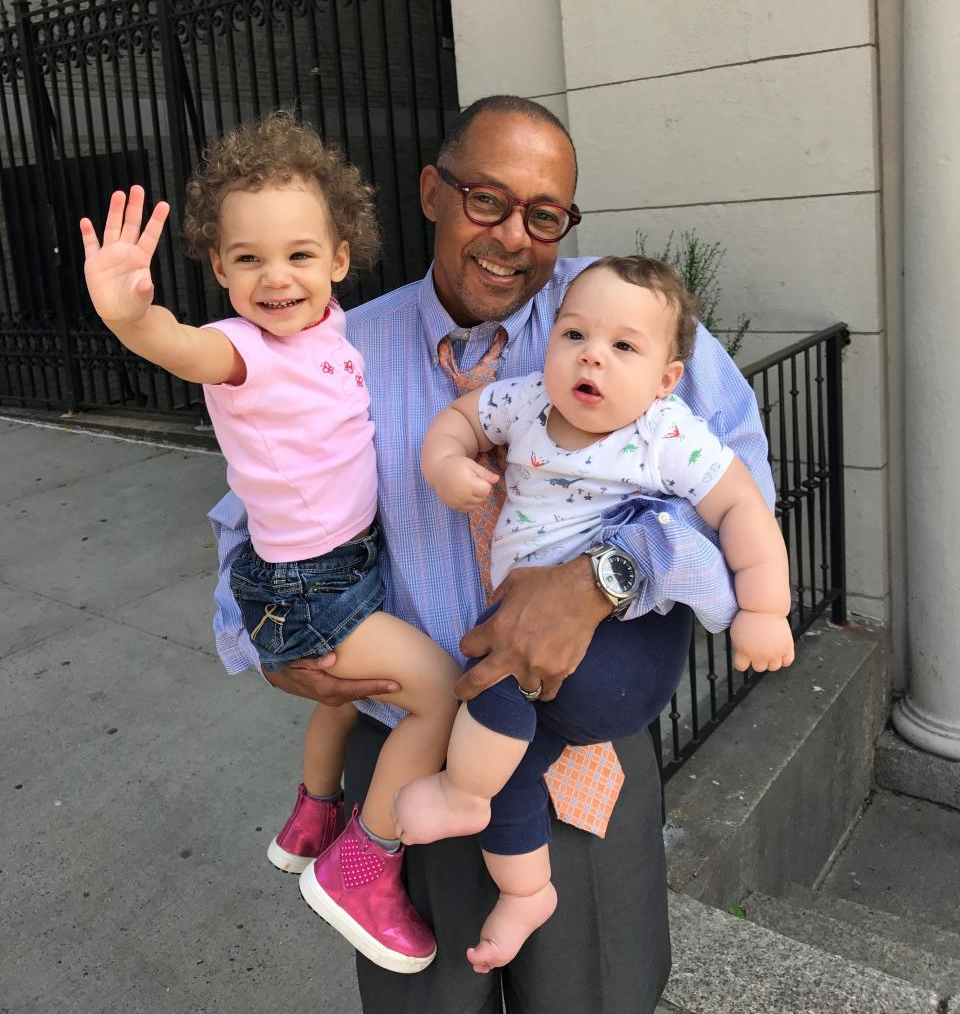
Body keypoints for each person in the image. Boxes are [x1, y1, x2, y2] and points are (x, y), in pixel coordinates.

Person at [210, 95, 776, 1014]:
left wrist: (610, 577)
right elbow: (252, 511)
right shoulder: (336, 345)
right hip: (413, 753)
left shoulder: (624, 318)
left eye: (543, 214)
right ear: (432, 192)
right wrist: (271, 645)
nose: (513, 236)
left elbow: (743, 497)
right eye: (485, 200)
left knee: (598, 995)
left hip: (581, 754)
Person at [79, 113, 461, 974]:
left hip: (338, 564)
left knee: (342, 697)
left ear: (338, 258)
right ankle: (365, 866)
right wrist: (131, 319)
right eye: (248, 258)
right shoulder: (241, 350)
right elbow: (178, 345)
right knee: (437, 693)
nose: (274, 277)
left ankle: (311, 814)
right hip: (308, 586)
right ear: (218, 267)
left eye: (297, 254)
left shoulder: (333, 329)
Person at [394, 254, 794, 971]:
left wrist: (764, 607)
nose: (592, 358)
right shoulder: (523, 405)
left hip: (621, 646)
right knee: (514, 759)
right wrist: (447, 461)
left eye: (623, 347)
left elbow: (740, 505)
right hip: (533, 659)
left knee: (496, 690)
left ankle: (461, 792)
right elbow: (458, 417)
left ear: (666, 379)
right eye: (574, 335)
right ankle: (525, 891)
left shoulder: (664, 435)